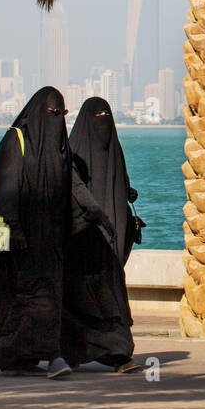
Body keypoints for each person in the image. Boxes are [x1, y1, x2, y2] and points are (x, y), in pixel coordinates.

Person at [0, 86, 76, 378]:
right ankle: (52, 357)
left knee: (37, 296)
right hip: (22, 236)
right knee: (38, 296)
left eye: (62, 114)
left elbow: (71, 187)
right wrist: (16, 229)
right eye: (53, 114)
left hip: (52, 238)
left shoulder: (59, 146)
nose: (57, 119)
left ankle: (15, 353)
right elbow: (5, 189)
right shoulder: (16, 140)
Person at [63, 96, 142, 373]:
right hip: (84, 240)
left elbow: (121, 188)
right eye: (96, 116)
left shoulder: (115, 154)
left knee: (108, 295)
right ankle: (109, 352)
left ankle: (117, 352)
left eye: (106, 115)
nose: (102, 122)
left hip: (112, 242)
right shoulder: (74, 154)